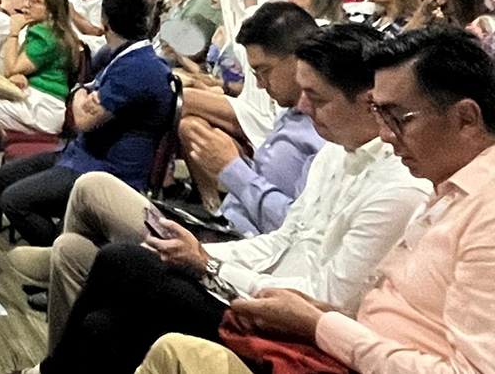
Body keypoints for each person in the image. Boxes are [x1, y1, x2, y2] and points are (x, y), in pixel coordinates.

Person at [18, 23, 429, 372]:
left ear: (368, 100)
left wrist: (210, 265)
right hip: (252, 271)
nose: (304, 107)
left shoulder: (398, 188)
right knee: (102, 325)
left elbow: (326, 300)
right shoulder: (336, 152)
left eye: (317, 98)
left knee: (121, 261)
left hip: (289, 321)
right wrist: (203, 258)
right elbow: (285, 239)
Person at [185, 28, 495, 374]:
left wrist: (320, 324)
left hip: (343, 353)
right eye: (381, 114)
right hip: (341, 342)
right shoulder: (447, 185)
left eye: (397, 117)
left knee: (141, 282)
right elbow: (293, 245)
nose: (386, 133)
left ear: (466, 119)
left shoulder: (481, 211)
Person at [0, 0, 175, 246]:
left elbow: (83, 121)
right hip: (82, 155)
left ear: (104, 22)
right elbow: (84, 93)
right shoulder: (118, 55)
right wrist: (82, 92)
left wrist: (78, 93)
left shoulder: (137, 68)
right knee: (4, 176)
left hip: (106, 172)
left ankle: (62, 253)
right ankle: (71, 230)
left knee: (13, 200)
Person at [177, 3, 326, 226]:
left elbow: (299, 228)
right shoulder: (291, 111)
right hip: (229, 229)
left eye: (264, 71)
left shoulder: (326, 133)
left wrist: (231, 167)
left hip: (251, 248)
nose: (259, 84)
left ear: (300, 59)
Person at [0, 0, 84, 135]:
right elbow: (17, 70)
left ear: (51, 11)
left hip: (41, 109)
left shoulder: (45, 35)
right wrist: (19, 75)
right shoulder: (54, 31)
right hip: (39, 104)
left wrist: (13, 32)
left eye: (35, 2)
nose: (26, 5)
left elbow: (9, 70)